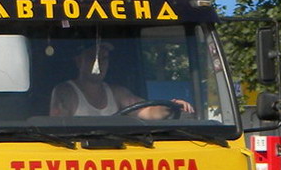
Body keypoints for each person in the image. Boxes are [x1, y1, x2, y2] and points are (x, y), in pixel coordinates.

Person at [50, 41, 193, 119]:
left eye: (104, 58)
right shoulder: (65, 92)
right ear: (78, 61)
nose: (98, 64)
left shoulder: (117, 93)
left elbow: (148, 111)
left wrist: (170, 106)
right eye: (92, 58)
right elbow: (59, 130)